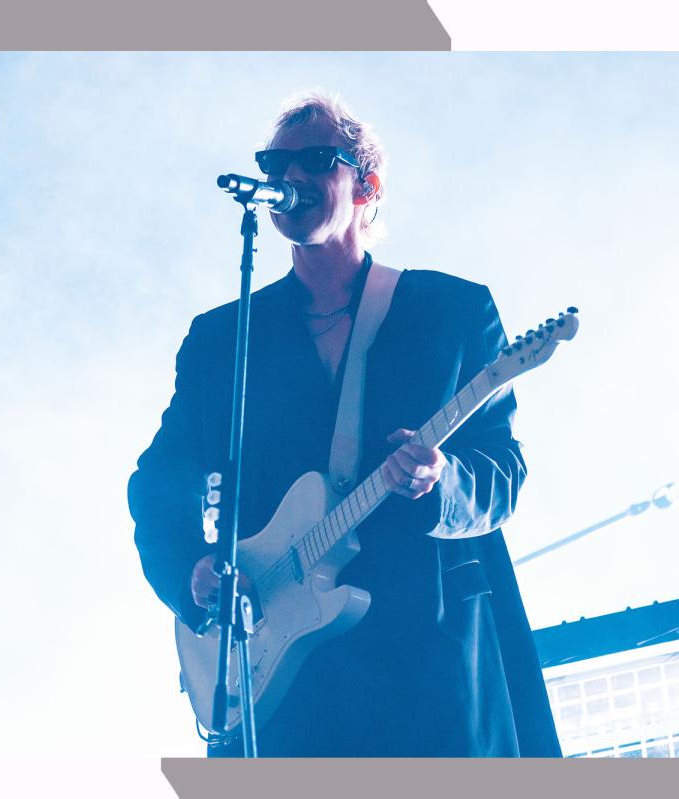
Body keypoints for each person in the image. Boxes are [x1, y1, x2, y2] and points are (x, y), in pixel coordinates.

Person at [129, 91, 561, 757]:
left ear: (367, 185)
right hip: (282, 682)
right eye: (275, 164)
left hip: (428, 661)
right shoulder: (222, 340)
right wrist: (191, 569)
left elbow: (502, 471)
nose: (290, 176)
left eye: (316, 160)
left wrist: (443, 480)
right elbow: (160, 482)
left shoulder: (451, 311)